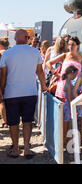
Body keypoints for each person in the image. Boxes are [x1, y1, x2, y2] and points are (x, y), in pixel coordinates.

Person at [0, 29, 47, 159]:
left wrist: (2, 91)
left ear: (15, 39)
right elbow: (40, 72)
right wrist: (44, 86)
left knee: (13, 123)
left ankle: (15, 149)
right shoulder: (34, 52)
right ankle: (26, 148)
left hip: (11, 93)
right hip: (30, 92)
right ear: (27, 38)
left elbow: (3, 75)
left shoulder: (7, 53)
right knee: (27, 121)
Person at [55, 65, 79, 146]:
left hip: (67, 106)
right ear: (71, 74)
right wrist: (72, 107)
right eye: (75, 75)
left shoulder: (68, 82)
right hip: (68, 106)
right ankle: (68, 141)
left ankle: (67, 140)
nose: (75, 76)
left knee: (68, 123)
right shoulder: (68, 84)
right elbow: (68, 98)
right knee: (69, 124)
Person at [0, 37, 9, 128]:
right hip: (9, 79)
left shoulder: (2, 53)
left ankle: (5, 121)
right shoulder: (8, 53)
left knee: (2, 102)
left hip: (2, 79)